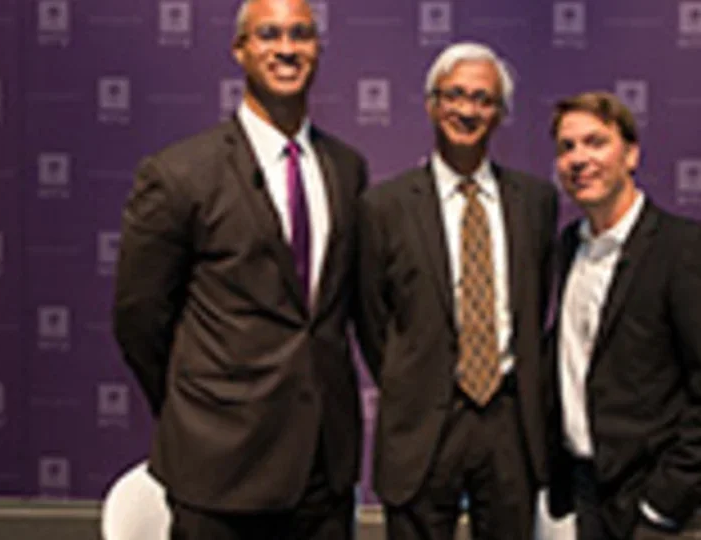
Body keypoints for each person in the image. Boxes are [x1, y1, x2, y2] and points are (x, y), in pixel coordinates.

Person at [112, 0, 368, 538]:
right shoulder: (180, 173)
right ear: (240, 50)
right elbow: (140, 319)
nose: (286, 49)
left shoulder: (347, 169)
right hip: (218, 469)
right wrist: (196, 410)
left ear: (318, 49)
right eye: (268, 35)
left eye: (301, 35)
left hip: (323, 471)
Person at [355, 42, 558, 540]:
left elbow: (538, 305)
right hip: (422, 421)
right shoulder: (385, 206)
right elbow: (370, 317)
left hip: (510, 423)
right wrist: (414, 375)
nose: (468, 110)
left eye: (484, 100)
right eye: (455, 95)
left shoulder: (536, 203)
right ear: (431, 104)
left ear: (501, 113)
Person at [545, 91, 701, 539]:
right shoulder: (568, 248)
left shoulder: (689, 251)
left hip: (676, 512)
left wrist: (662, 504)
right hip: (593, 498)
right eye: (567, 147)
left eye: (596, 142)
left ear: (631, 155)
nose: (579, 158)